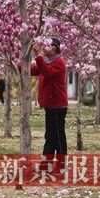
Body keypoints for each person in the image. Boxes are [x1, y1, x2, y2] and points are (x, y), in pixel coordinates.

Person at [31, 38, 68, 169]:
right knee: (50, 136)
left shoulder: (58, 62)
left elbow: (47, 72)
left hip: (57, 105)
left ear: (53, 48)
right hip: (50, 105)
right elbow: (33, 70)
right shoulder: (47, 61)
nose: (42, 48)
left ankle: (61, 164)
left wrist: (38, 55)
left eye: (45, 46)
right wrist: (18, 63)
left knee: (57, 136)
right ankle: (46, 165)